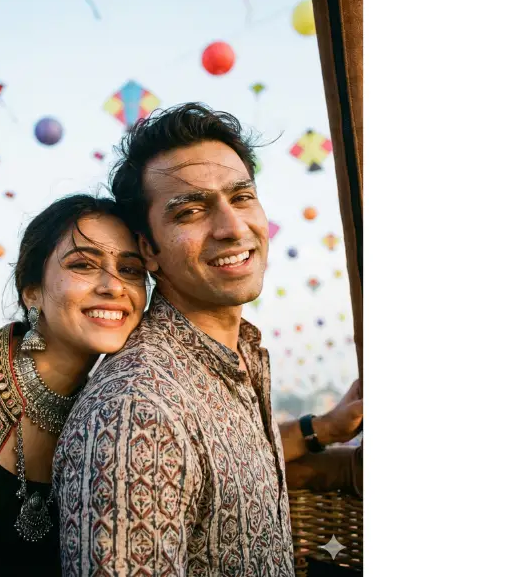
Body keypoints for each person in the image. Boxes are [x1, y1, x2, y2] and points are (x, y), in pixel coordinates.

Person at [53, 103, 362, 576]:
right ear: (149, 249)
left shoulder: (236, 358)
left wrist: (327, 428)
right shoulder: (139, 408)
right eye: (191, 211)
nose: (233, 228)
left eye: (241, 197)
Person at [0, 194, 149, 577]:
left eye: (131, 269)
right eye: (84, 265)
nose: (113, 286)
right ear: (32, 289)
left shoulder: (113, 422)